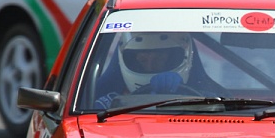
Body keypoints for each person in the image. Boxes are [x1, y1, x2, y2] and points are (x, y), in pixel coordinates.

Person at [94, 32, 225, 109]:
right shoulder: (106, 104)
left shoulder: (208, 99)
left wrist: (189, 97)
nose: (150, 66)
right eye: (143, 60)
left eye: (159, 58)